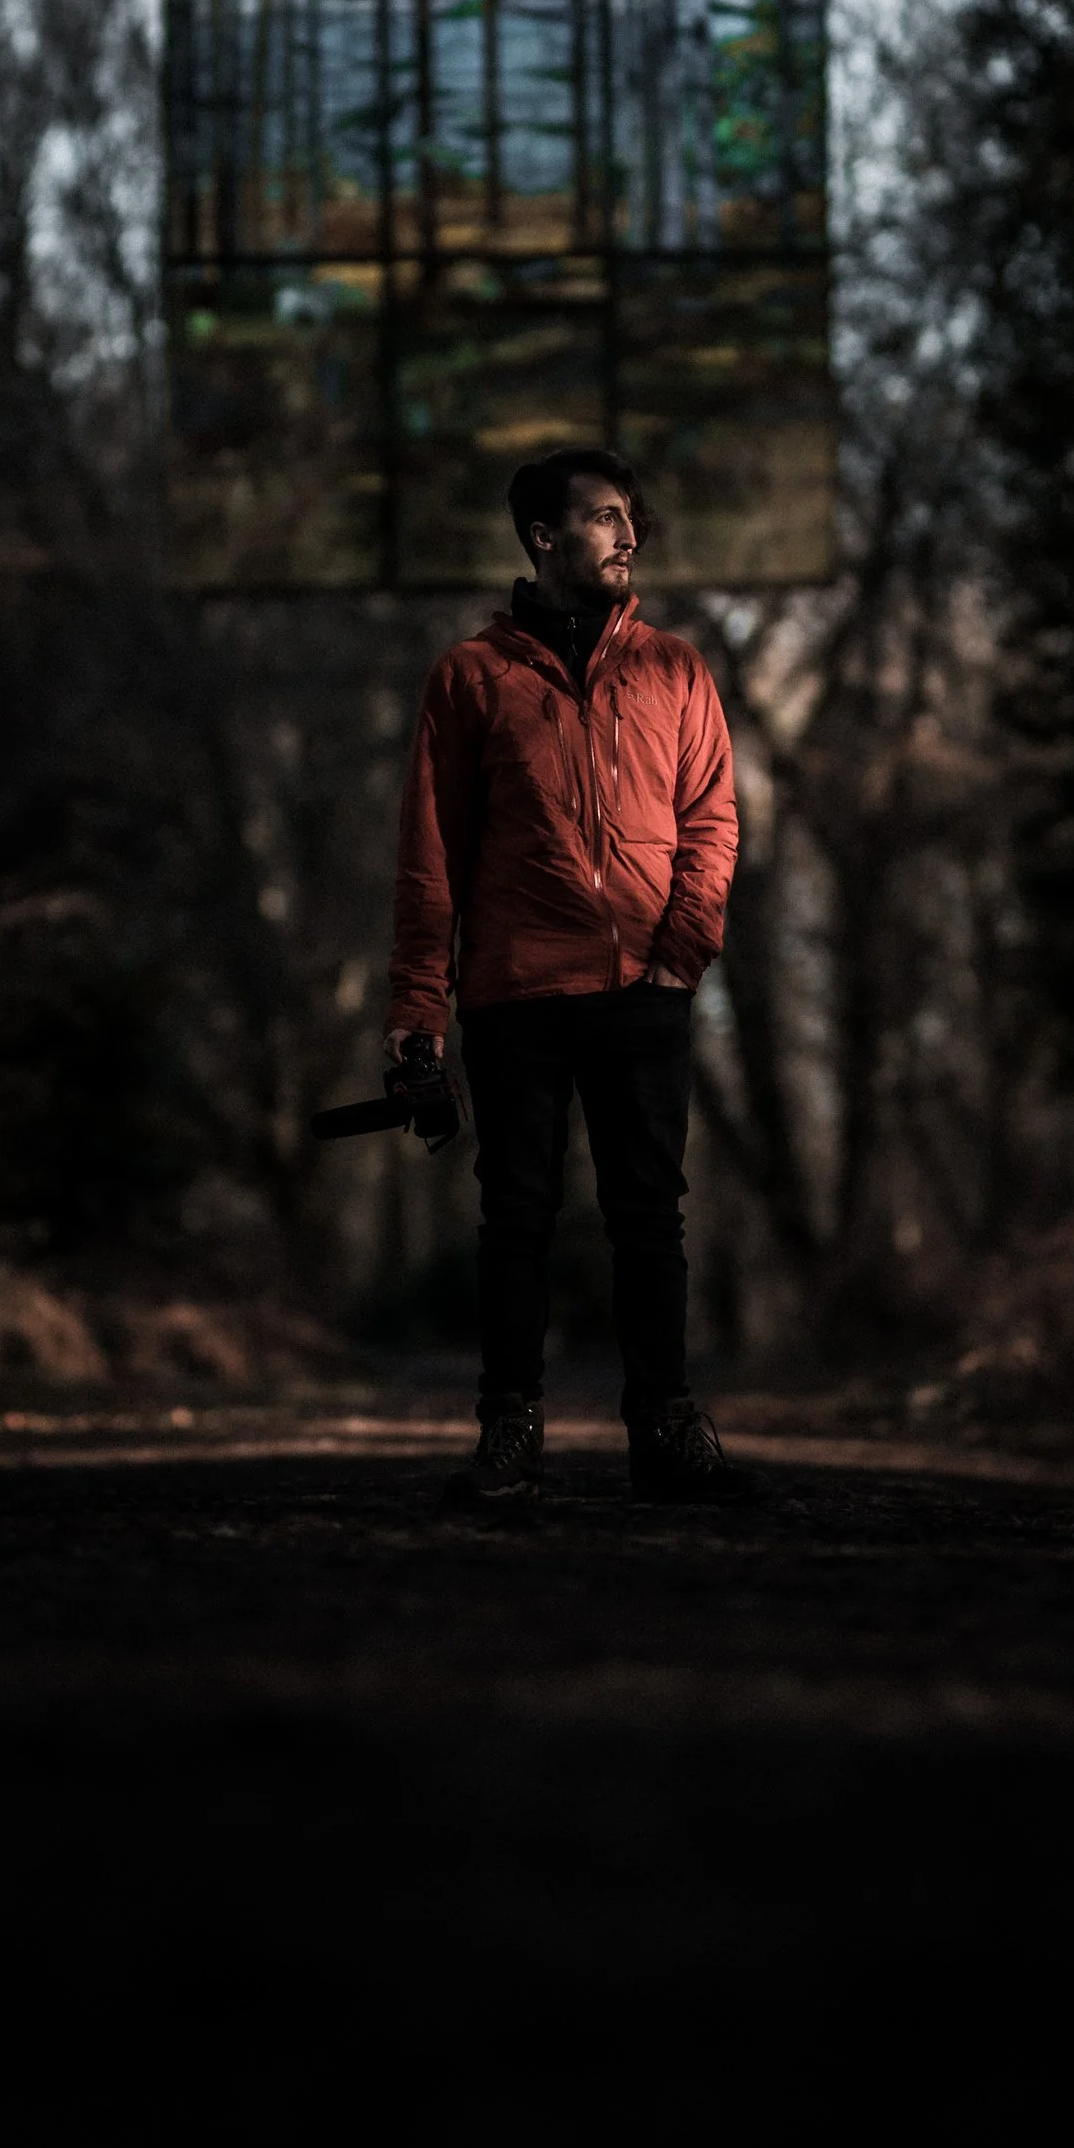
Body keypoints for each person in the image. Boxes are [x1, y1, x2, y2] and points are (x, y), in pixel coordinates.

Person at [383, 446, 759, 1508]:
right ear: (544, 538)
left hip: (648, 986)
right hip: (516, 993)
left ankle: (666, 1430)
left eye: (630, 516)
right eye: (603, 518)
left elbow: (712, 822)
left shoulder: (676, 669)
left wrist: (680, 953)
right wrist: (418, 1012)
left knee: (651, 1215)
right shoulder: (468, 679)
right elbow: (430, 855)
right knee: (518, 1217)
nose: (628, 535)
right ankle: (509, 1431)